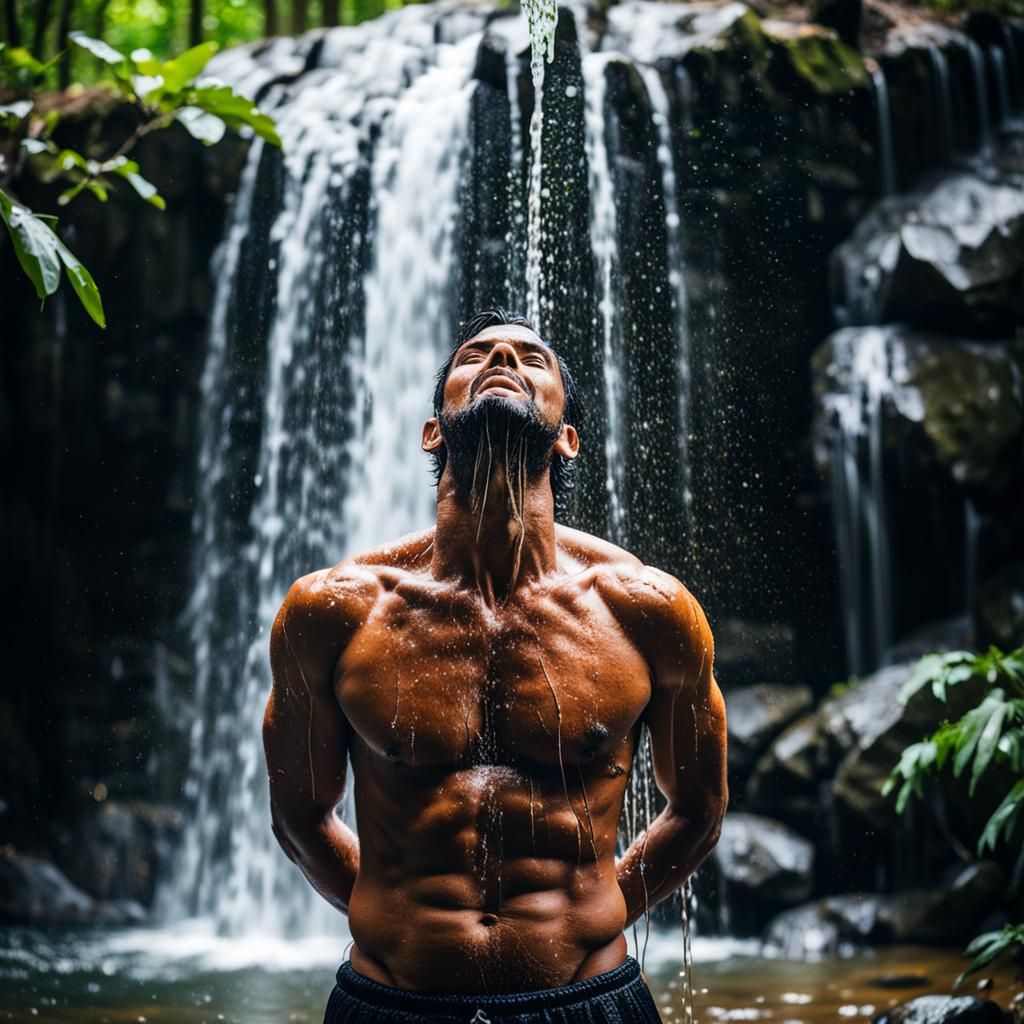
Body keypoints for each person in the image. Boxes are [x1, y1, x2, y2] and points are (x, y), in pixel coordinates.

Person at [263, 308, 729, 1023]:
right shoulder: (335, 611)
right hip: (390, 1003)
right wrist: (396, 917)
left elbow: (699, 808)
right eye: (475, 354)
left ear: (567, 440)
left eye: (530, 357)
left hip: (589, 999)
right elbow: (299, 816)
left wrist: (594, 916)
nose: (503, 355)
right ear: (432, 431)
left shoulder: (648, 610)